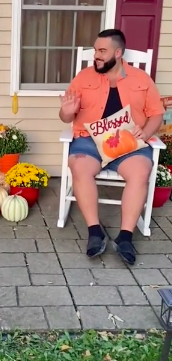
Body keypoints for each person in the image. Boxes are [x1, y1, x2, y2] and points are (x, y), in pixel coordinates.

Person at [59, 29, 164, 265]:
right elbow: (66, 116)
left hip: (128, 143)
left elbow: (157, 113)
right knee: (80, 167)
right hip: (90, 140)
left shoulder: (141, 79)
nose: (96, 55)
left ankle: (125, 237)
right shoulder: (84, 77)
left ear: (118, 53)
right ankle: (95, 231)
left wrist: (145, 133)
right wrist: (66, 113)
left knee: (140, 173)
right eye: (95, 50)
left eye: (102, 51)